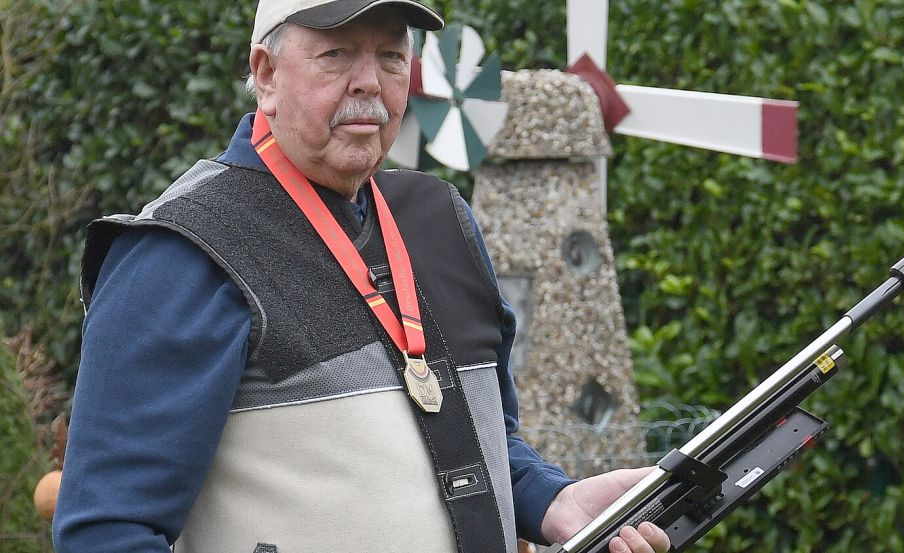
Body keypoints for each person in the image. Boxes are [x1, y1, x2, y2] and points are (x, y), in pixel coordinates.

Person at [52, 1, 671, 552]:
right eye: (335, 54)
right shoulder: (183, 250)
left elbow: (473, 436)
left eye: (391, 56)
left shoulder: (442, 218)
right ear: (266, 74)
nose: (369, 83)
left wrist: (550, 500)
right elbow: (108, 529)